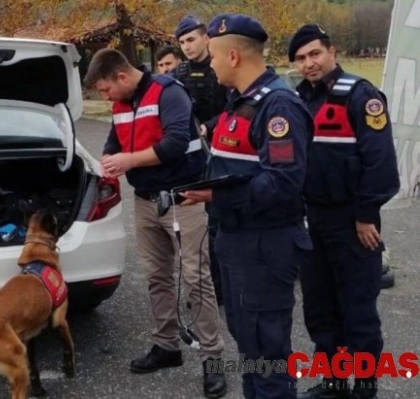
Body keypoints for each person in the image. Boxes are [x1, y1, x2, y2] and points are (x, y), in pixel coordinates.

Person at [181, 13, 313, 399]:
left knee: (267, 348)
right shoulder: (239, 103)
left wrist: (217, 196)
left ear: (234, 56)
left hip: (265, 246)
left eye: (214, 57)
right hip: (237, 243)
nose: (211, 64)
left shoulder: (278, 107)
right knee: (249, 344)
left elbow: (285, 182)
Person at [83, 48, 227, 399]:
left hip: (184, 199)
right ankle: (167, 346)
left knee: (196, 279)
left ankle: (213, 360)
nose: (105, 97)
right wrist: (108, 160)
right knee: (157, 277)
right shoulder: (121, 104)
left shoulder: (168, 92)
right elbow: (114, 140)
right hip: (147, 201)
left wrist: (128, 161)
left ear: (120, 77)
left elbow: (177, 142)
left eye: (105, 90)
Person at [289, 23, 400, 399]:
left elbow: (381, 164)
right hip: (311, 220)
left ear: (332, 52)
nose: (309, 63)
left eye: (315, 54)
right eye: (301, 58)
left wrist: (366, 215)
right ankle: (334, 383)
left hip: (353, 222)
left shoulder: (361, 96)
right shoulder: (298, 100)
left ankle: (365, 387)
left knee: (358, 311)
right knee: (320, 309)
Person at [172, 15, 230, 305]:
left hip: (221, 151)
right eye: (182, 42)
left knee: (218, 224)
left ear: (206, 38)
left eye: (191, 39)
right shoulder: (178, 74)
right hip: (190, 159)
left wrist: (210, 125)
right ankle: (199, 286)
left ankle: (221, 288)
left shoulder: (223, 68)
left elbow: (237, 107)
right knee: (189, 228)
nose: (187, 46)